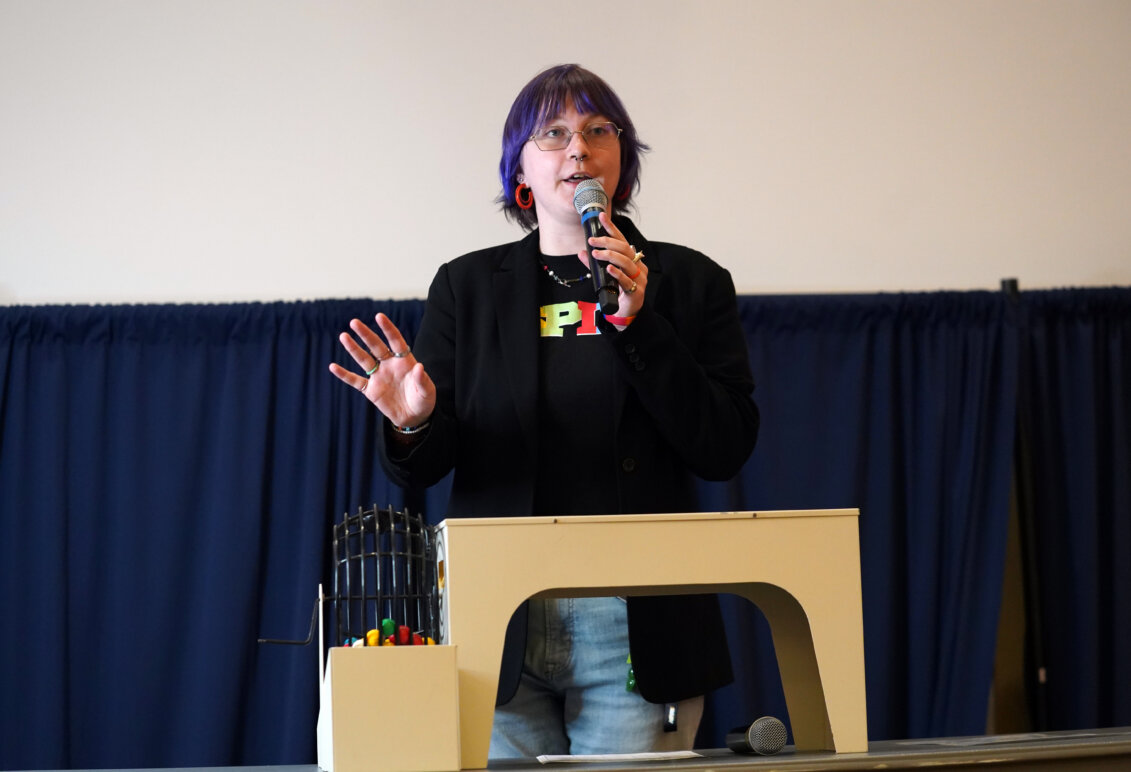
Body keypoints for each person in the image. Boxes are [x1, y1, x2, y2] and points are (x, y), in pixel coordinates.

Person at [329, 64, 759, 758]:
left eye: (597, 131)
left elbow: (723, 447)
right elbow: (424, 470)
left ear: (621, 163)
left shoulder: (688, 281)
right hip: (501, 619)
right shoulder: (466, 288)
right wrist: (413, 420)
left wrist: (641, 325)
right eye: (553, 133)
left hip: (639, 621)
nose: (577, 149)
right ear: (520, 172)